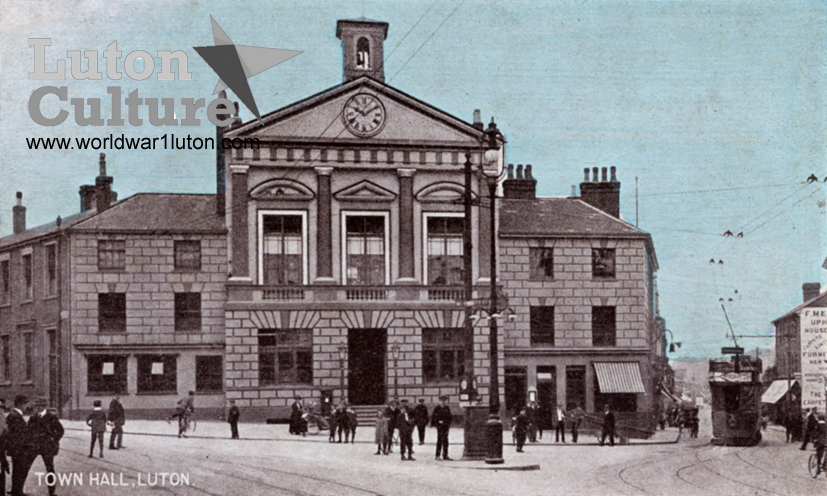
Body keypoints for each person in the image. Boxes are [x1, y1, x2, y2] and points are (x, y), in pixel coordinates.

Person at [29, 406, 63, 496]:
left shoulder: (51, 417)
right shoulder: (33, 418)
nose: (38, 407)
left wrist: (53, 439)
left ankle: (51, 492)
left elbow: (60, 430)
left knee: (50, 469)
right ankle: (18, 490)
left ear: (44, 407)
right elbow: (28, 431)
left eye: (40, 405)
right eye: (37, 405)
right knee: (25, 466)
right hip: (35, 446)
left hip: (47, 447)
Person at [8, 395, 34, 496]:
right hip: (20, 449)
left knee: (16, 471)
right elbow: (18, 435)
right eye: (25, 403)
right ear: (20, 404)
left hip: (16, 449)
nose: (26, 406)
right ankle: (17, 492)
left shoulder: (13, 415)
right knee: (20, 470)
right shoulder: (16, 416)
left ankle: (16, 490)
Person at [431, 395, 452, 460]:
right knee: (439, 440)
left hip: (446, 426)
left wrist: (448, 424)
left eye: (444, 400)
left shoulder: (447, 408)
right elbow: (434, 417)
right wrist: (436, 424)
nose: (443, 402)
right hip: (440, 426)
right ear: (439, 401)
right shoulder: (437, 408)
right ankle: (437, 455)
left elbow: (449, 416)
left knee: (446, 441)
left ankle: (445, 455)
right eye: (442, 400)